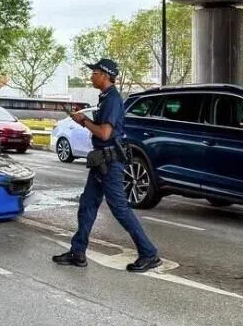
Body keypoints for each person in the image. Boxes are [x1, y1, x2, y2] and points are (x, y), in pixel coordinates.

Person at [53, 58, 163, 273]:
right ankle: (78, 252)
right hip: (101, 161)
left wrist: (83, 121)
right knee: (87, 205)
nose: (91, 76)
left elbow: (104, 133)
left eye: (94, 73)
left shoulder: (112, 99)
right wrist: (83, 120)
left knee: (120, 208)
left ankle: (149, 253)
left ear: (105, 75)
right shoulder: (105, 98)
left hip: (110, 163)